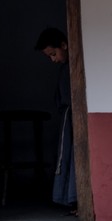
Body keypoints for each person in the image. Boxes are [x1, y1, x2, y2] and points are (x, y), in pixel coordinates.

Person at [34, 27, 77, 209]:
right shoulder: (65, 69)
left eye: (53, 54)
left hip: (72, 115)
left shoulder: (74, 67)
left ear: (64, 45)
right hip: (67, 115)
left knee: (70, 156)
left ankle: (73, 197)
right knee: (66, 155)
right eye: (49, 57)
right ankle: (68, 198)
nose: (53, 60)